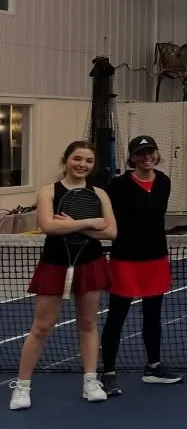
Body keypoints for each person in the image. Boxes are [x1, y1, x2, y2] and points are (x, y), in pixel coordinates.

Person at [10, 141, 116, 410]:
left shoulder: (100, 194)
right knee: (42, 326)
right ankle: (22, 387)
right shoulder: (48, 192)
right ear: (66, 160)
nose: (82, 165)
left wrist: (69, 225)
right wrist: (89, 223)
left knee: (88, 323)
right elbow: (48, 226)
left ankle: (90, 381)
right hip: (55, 263)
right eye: (77, 159)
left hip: (89, 262)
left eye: (89, 161)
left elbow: (112, 232)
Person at [100, 135, 181, 395]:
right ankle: (109, 372)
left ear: (157, 154)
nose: (147, 157)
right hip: (125, 260)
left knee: (153, 315)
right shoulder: (118, 185)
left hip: (156, 259)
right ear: (132, 157)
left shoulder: (164, 182)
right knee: (117, 317)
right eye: (141, 153)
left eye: (151, 152)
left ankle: (153, 366)